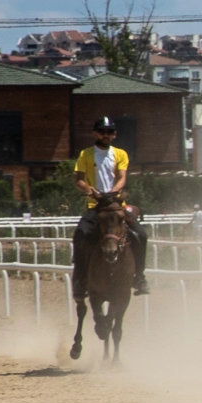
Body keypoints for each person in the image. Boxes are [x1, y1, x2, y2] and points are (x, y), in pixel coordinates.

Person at [71, 117, 149, 298]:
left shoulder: (120, 154)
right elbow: (79, 180)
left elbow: (122, 177)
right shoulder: (85, 154)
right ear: (95, 134)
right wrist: (93, 192)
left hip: (115, 206)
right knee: (80, 235)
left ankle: (140, 277)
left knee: (141, 235)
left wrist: (112, 193)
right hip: (95, 206)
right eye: (102, 132)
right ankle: (80, 279)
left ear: (114, 135)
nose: (106, 135)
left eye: (109, 132)